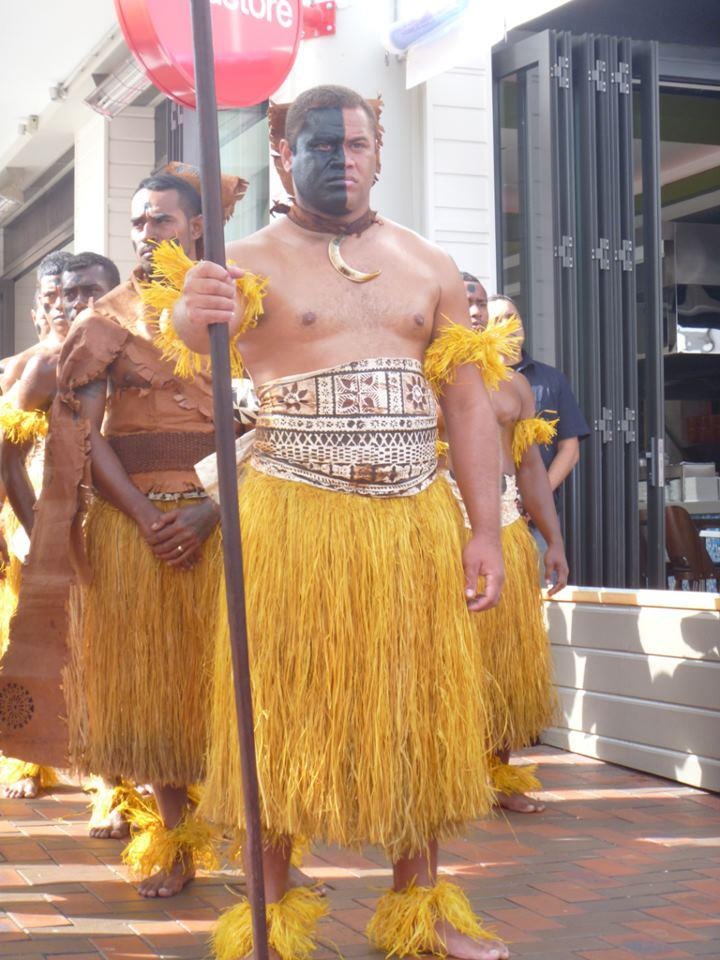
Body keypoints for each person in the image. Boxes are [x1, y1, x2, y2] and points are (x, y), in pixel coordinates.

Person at [159, 84, 510, 960]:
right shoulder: (240, 262)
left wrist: (484, 529)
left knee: (417, 710)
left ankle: (419, 913)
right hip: (292, 514)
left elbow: (467, 406)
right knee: (278, 710)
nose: (340, 158)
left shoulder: (428, 265)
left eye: (355, 144)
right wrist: (189, 312)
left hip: (410, 520)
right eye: (320, 145)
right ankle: (271, 919)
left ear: (379, 152)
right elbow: (193, 353)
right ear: (285, 156)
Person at [12, 167, 246, 897]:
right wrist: (147, 519)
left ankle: (268, 852)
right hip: (134, 529)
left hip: (233, 521)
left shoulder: (246, 305)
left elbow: (272, 418)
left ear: (198, 227)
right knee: (158, 697)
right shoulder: (104, 320)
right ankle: (173, 843)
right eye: (139, 222)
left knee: (242, 689)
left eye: (163, 222)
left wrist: (213, 509)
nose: (147, 234)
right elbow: (83, 432)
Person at [451, 282, 569, 814]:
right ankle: (444, 772)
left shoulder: (515, 387)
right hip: (437, 524)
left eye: (480, 301)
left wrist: (554, 540)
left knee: (504, 657)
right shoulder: (423, 376)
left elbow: (530, 469)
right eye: (464, 300)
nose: (474, 309)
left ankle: (498, 774)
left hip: (505, 526)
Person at [489, 295, 590, 511]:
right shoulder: (477, 379)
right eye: (498, 320)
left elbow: (570, 450)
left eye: (512, 317)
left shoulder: (552, 380)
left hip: (537, 515)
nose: (509, 324)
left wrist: (537, 498)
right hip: (486, 511)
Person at [0, 250, 73, 392]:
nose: (59, 304)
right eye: (50, 295)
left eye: (67, 293)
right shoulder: (20, 366)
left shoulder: (108, 348)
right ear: (41, 300)